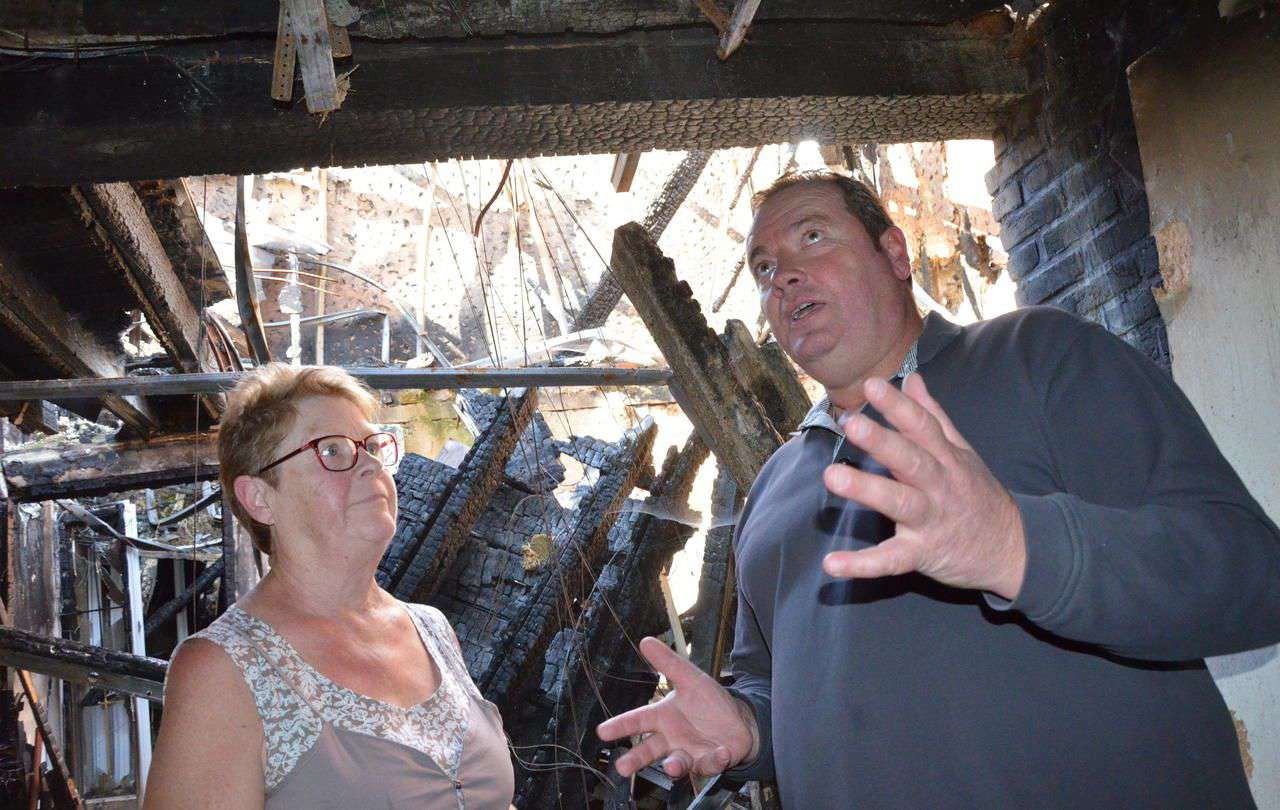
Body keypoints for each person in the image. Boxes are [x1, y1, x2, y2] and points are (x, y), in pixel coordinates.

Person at [598, 171, 1280, 807]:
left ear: (895, 253)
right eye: (765, 267)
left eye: (812, 236)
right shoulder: (774, 487)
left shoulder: (1038, 356)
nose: (785, 276)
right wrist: (746, 727)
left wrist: (1019, 547)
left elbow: (1254, 580)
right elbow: (777, 691)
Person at [145, 364, 515, 809]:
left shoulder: (431, 629)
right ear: (260, 498)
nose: (371, 464)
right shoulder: (223, 668)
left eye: (373, 445)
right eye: (333, 451)